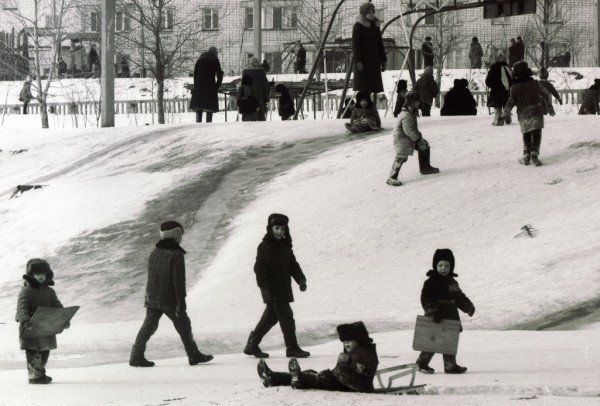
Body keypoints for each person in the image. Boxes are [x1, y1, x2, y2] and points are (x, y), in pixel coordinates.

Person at [130, 221, 213, 367]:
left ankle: (136, 355)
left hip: (152, 296)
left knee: (149, 326)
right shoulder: (176, 255)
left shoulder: (155, 252)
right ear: (175, 236)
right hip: (169, 298)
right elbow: (178, 281)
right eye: (180, 234)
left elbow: (152, 277)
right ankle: (193, 355)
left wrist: (150, 296)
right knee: (184, 325)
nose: (181, 237)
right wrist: (181, 302)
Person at [243, 214, 310, 359]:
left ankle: (251, 345)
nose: (280, 231)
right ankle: (292, 348)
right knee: (287, 318)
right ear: (270, 228)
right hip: (273, 291)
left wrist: (301, 279)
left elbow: (293, 265)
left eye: (282, 228)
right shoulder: (265, 246)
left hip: (283, 289)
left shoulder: (285, 246)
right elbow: (259, 269)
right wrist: (265, 290)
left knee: (270, 318)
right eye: (276, 228)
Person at [257, 321, 379, 392]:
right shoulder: (352, 351)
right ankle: (274, 378)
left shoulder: (366, 352)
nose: (346, 343)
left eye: (349, 340)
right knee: (310, 373)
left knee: (319, 378)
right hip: (341, 381)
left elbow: (366, 370)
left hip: (352, 386)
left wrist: (349, 360)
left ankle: (293, 379)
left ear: (359, 340)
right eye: (344, 341)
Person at [416, 249, 475, 375]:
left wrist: (468, 306)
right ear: (435, 266)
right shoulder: (431, 282)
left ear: (451, 267)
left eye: (447, 266)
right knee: (433, 340)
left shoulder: (452, 282)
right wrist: (432, 311)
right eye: (441, 265)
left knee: (450, 340)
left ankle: (450, 365)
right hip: (436, 315)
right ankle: (421, 364)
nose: (444, 268)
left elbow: (459, 297)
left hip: (451, 314)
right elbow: (426, 298)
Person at [16, 259, 67, 384]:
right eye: (37, 273)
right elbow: (22, 307)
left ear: (47, 274)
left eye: (43, 273)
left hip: (45, 326)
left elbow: (57, 305)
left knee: (45, 350)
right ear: (31, 275)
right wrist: (25, 320)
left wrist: (63, 318)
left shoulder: (50, 291)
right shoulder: (26, 291)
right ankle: (34, 376)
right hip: (30, 326)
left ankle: (40, 373)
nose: (41, 276)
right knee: (33, 352)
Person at [387, 91, 439, 187]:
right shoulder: (407, 115)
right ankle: (392, 177)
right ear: (412, 102)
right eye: (417, 101)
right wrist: (418, 138)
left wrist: (420, 139)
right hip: (403, 140)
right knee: (401, 157)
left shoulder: (411, 112)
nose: (419, 102)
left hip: (408, 138)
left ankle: (425, 168)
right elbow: (409, 131)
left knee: (424, 146)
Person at [504, 61, 550, 166]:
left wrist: (505, 113)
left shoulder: (514, 88)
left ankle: (526, 156)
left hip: (524, 114)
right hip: (537, 112)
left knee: (526, 134)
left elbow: (511, 102)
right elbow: (546, 93)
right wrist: (549, 105)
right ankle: (534, 155)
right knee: (537, 133)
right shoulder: (535, 83)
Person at [352, 2, 387, 95]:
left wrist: (383, 60)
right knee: (364, 88)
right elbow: (356, 45)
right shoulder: (358, 26)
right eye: (369, 12)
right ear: (364, 13)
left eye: (373, 12)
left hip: (374, 61)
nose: (371, 14)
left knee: (372, 87)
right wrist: (359, 61)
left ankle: (369, 107)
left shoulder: (375, 26)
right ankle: (362, 107)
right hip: (364, 62)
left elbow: (380, 43)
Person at [189, 46, 224, 123]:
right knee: (209, 108)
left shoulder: (200, 60)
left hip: (199, 86)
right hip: (210, 87)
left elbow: (195, 74)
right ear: (215, 53)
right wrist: (216, 86)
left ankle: (198, 123)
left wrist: (197, 84)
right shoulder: (215, 60)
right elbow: (220, 75)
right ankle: (208, 125)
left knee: (199, 107)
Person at [485, 52, 512, 126]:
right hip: (507, 91)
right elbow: (512, 79)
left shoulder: (493, 69)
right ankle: (507, 118)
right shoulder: (508, 68)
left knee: (497, 108)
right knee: (506, 105)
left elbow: (488, 82)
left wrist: (493, 85)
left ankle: (497, 121)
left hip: (496, 91)